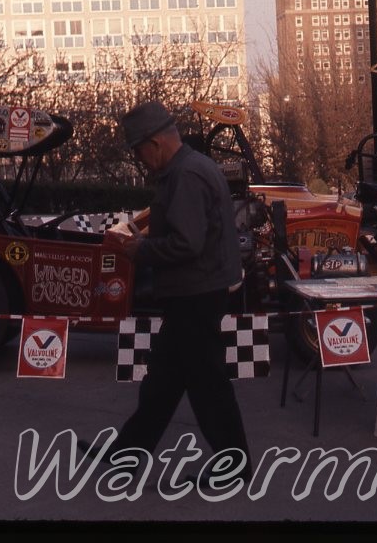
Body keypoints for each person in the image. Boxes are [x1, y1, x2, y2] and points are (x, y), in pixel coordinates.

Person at [92, 100, 251, 484]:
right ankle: (126, 454)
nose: (140, 160)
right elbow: (192, 236)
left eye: (138, 151)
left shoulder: (185, 176)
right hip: (198, 290)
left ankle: (236, 466)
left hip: (195, 294)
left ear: (155, 143)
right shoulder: (192, 168)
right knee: (165, 381)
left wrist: (138, 249)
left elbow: (186, 244)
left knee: (205, 384)